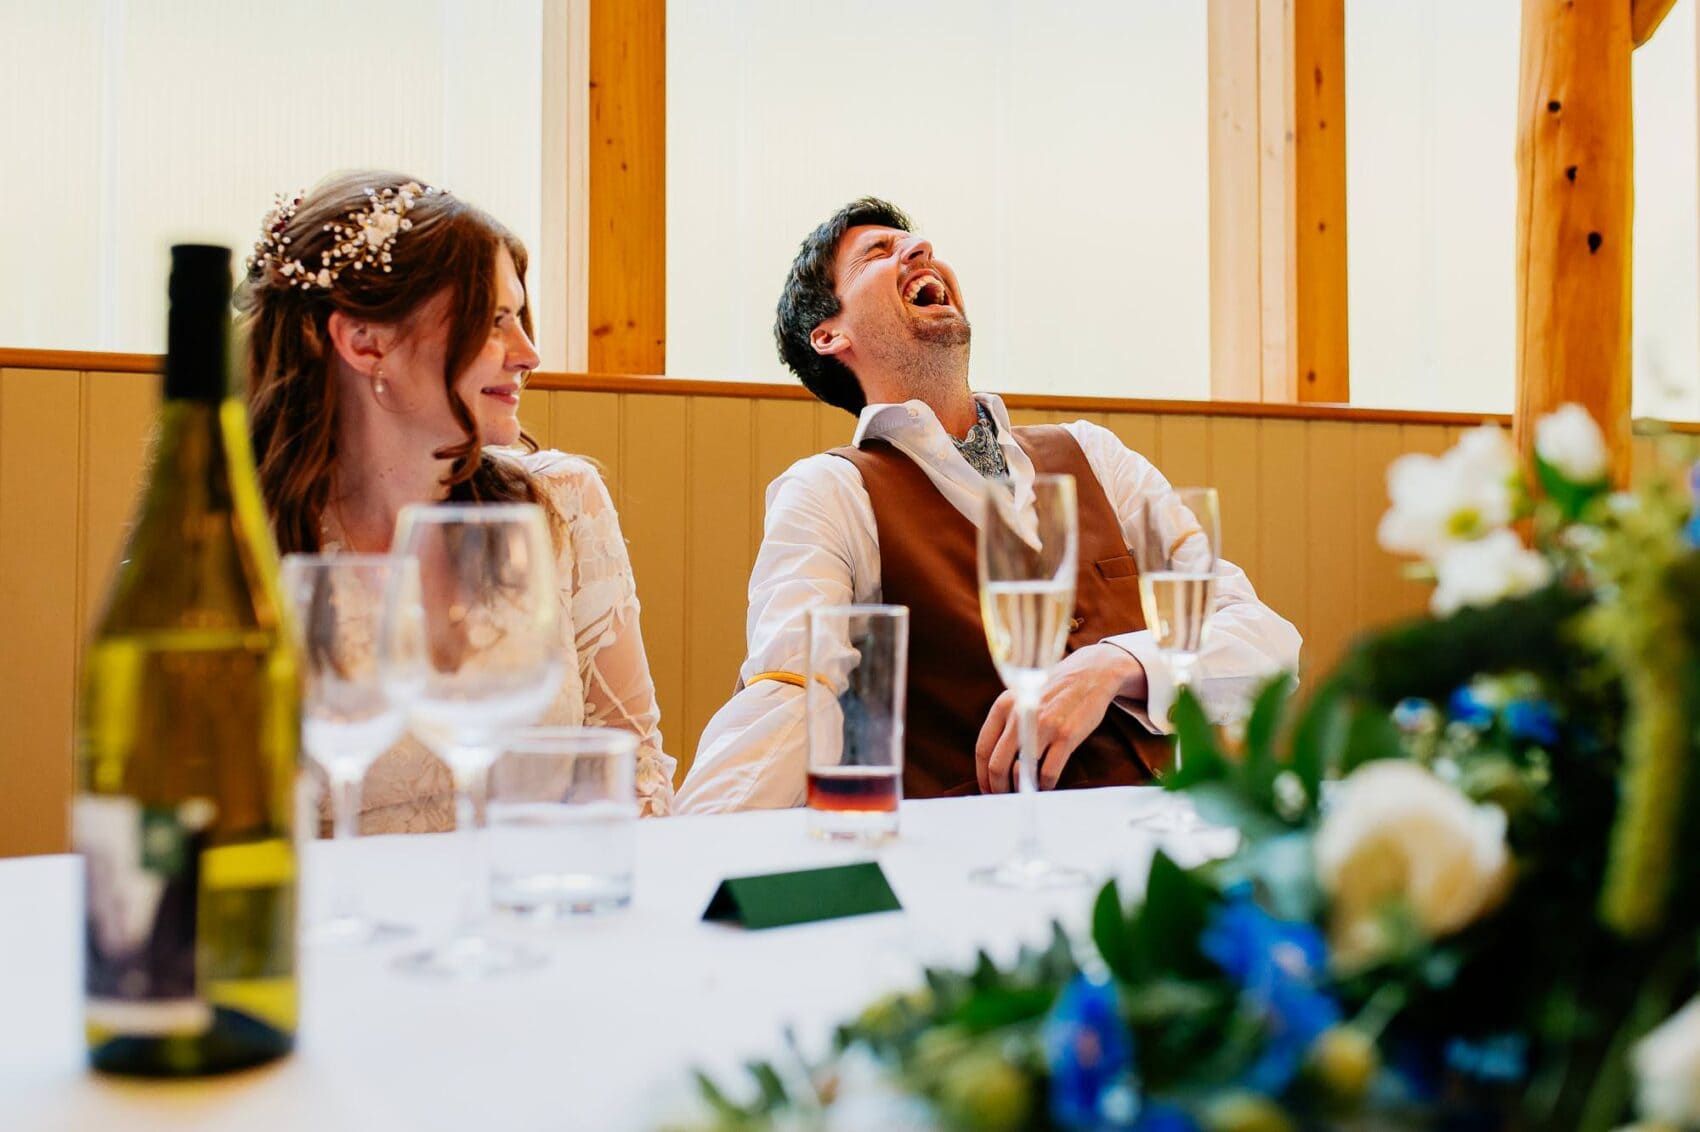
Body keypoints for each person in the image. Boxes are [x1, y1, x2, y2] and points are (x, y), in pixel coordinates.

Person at [677, 198, 1301, 813]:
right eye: (877, 253)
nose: (919, 250)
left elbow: (1264, 644)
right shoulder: (829, 493)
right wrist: (689, 854)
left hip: (1161, 842)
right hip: (974, 871)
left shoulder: (1096, 454)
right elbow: (791, 695)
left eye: (915, 241)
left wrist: (1116, 663)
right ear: (829, 334)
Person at [239, 171, 674, 827]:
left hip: (531, 911)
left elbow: (631, 773)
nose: (527, 353)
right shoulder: (243, 542)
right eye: (494, 321)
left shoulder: (559, 506)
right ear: (365, 342)